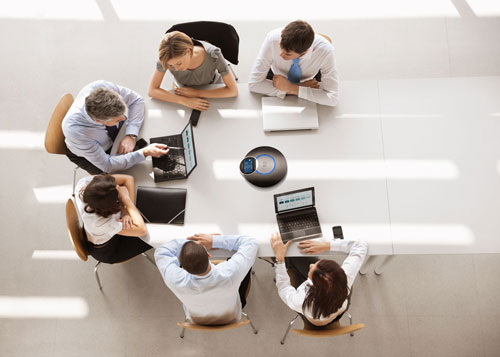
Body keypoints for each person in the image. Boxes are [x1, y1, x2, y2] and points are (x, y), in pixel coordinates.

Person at [62, 80, 169, 174]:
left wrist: (131, 134)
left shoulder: (100, 87)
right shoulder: (76, 131)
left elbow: (136, 100)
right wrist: (145, 152)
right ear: (98, 121)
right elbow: (108, 165)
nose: (124, 119)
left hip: (108, 134)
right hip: (94, 153)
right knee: (130, 175)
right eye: (118, 119)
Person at [155, 233, 258, 325]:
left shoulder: (175, 280)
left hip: (196, 320)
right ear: (209, 255)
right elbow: (251, 243)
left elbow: (161, 251)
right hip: (231, 317)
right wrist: (213, 241)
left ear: (182, 267)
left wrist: (191, 243)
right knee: (245, 268)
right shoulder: (229, 273)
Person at [270, 233, 367, 328]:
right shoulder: (346, 276)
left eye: (311, 273)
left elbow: (283, 288)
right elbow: (360, 244)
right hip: (337, 306)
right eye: (317, 264)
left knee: (290, 260)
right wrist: (326, 246)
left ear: (313, 288)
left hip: (313, 319)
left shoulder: (302, 300)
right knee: (297, 256)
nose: (311, 265)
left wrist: (279, 259)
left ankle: (281, 261)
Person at [248, 20, 339, 107]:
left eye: (287, 54)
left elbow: (333, 98)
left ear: (305, 51)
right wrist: (301, 87)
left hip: (310, 78)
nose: (280, 55)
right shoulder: (272, 38)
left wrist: (292, 88)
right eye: (280, 48)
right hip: (277, 77)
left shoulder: (326, 51)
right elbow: (253, 84)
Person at [148, 31, 238, 112]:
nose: (176, 69)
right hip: (184, 92)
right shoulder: (166, 58)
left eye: (179, 63)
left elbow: (233, 90)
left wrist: (196, 93)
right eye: (171, 65)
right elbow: (152, 90)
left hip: (212, 88)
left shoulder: (213, 54)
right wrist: (184, 101)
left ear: (188, 51)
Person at [75, 173, 152, 264]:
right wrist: (126, 200)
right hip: (109, 250)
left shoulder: (84, 185)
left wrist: (126, 213)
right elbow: (142, 231)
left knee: (145, 206)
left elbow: (128, 179)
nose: (118, 187)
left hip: (102, 232)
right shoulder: (101, 223)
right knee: (155, 232)